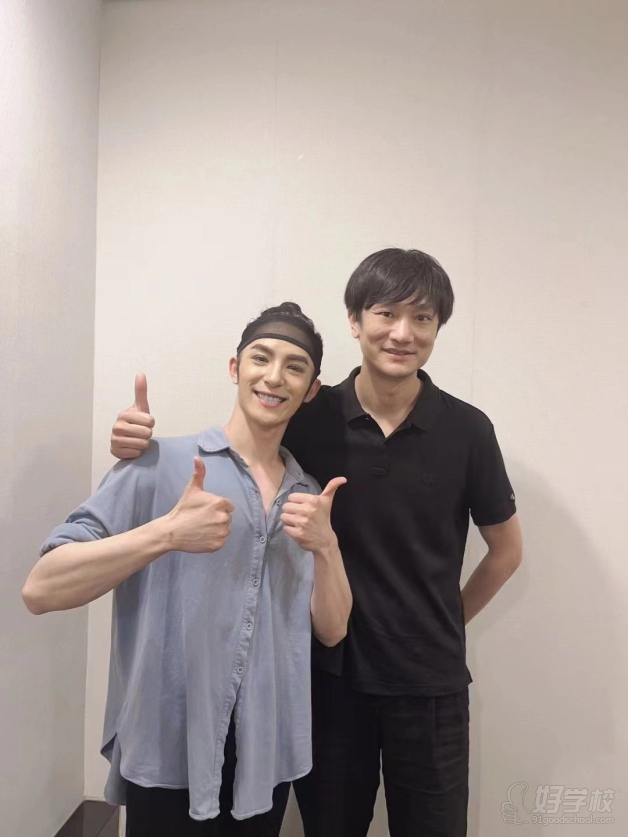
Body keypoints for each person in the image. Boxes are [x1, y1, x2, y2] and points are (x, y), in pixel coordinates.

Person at [108, 249, 523, 837]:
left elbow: (506, 551)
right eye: (386, 313)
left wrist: (445, 622)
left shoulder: (468, 429)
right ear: (355, 320)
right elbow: (235, 452)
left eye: (422, 318)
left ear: (438, 329)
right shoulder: (306, 412)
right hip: (326, 681)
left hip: (430, 685)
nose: (402, 333)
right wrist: (134, 447)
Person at [22, 303, 352, 837]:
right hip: (167, 739)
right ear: (234, 368)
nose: (274, 377)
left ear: (311, 389)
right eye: (261, 358)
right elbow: (41, 589)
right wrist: (166, 533)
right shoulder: (159, 465)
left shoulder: (308, 494)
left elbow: (332, 630)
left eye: (295, 367)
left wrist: (326, 546)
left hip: (263, 753)